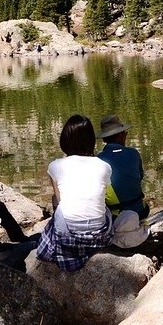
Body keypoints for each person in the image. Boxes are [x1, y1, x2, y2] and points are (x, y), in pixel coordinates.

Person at [36, 115, 114, 271]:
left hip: (67, 239)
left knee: (60, 209)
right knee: (106, 210)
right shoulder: (104, 166)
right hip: (99, 238)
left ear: (65, 140)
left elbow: (59, 201)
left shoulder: (54, 166)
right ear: (91, 140)